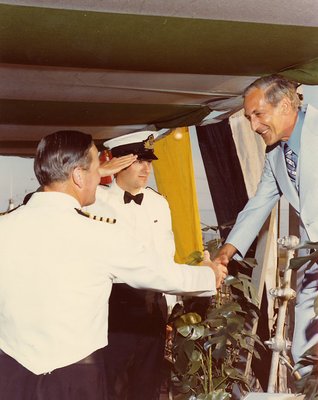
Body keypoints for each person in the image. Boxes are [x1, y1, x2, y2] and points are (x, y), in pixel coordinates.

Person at [0, 130, 228, 400]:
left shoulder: (5, 226)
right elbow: (158, 273)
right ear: (78, 175)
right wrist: (208, 275)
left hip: (10, 374)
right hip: (76, 378)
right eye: (98, 168)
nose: (101, 176)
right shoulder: (98, 233)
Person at [213, 75, 318, 373]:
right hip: (312, 263)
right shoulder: (275, 153)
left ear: (285, 105)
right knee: (304, 351)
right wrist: (226, 252)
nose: (254, 126)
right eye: (248, 117)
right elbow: (260, 201)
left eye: (258, 114)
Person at [87, 131, 177, 400]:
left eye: (148, 161)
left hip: (153, 306)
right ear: (117, 163)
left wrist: (170, 306)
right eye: (138, 161)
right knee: (110, 385)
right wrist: (96, 171)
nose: (146, 168)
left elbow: (166, 256)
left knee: (148, 387)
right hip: (114, 306)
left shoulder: (159, 204)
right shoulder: (95, 201)